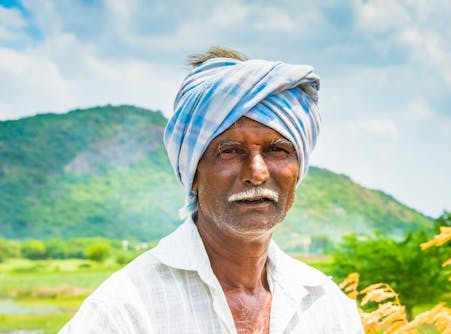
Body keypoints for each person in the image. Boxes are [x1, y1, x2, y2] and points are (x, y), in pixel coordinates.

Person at [60, 47, 364, 333]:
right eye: (230, 151)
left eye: (277, 150)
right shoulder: (124, 311)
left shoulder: (326, 307)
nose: (257, 173)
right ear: (192, 171)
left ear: (298, 169)